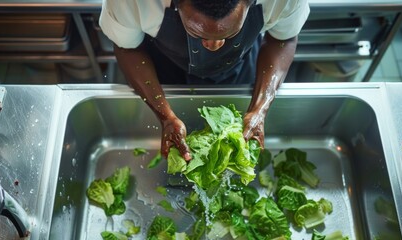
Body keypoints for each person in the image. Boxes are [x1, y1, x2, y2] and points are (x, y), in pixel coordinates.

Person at [100, 0, 310, 161]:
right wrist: (164, 116)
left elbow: (283, 39)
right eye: (195, 31)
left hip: (242, 68)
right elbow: (128, 48)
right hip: (162, 72)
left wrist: (259, 109)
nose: (214, 46)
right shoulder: (131, 2)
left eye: (229, 34)